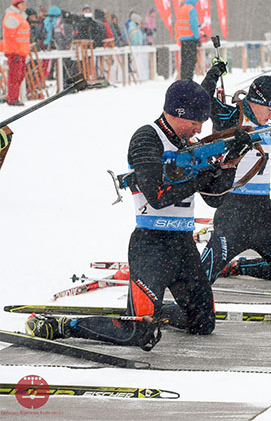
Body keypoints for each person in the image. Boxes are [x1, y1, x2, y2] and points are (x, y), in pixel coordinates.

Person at [25, 80, 251, 350]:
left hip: (183, 246)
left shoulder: (190, 144)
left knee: (203, 323)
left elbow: (216, 198)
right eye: (195, 121)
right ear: (177, 112)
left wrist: (229, 165)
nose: (199, 129)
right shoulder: (147, 138)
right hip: (151, 246)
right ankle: (63, 325)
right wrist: (202, 176)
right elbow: (157, 196)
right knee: (139, 333)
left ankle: (155, 311)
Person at [199, 69, 271, 283]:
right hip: (234, 212)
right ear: (256, 101)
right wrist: (212, 75)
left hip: (262, 215)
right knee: (201, 278)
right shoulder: (232, 117)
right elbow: (204, 100)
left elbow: (265, 138)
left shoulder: (264, 124)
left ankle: (240, 267)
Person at [2, 0, 30, 106]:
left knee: (19, 76)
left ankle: (13, 97)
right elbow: (10, 37)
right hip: (15, 52)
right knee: (15, 76)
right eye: (22, 4)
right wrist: (14, 51)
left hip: (21, 52)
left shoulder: (19, 17)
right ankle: (12, 99)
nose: (24, 6)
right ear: (16, 5)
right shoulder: (12, 17)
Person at [175, 0, 201, 79]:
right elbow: (193, 25)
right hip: (191, 39)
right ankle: (189, 81)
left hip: (183, 39)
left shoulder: (181, 9)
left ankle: (183, 80)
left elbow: (177, 25)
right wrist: (197, 37)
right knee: (191, 62)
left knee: (184, 62)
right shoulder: (191, 10)